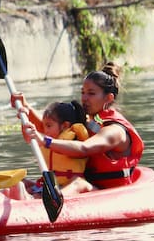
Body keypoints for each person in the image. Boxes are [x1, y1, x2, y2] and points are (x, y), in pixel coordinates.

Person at [13, 62, 144, 190]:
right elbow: (50, 128)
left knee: (78, 183)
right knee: (20, 182)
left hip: (109, 193)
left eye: (91, 93)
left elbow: (84, 148)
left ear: (108, 98)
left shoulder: (115, 131)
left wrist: (44, 140)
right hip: (83, 187)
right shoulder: (90, 122)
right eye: (83, 92)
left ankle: (49, 203)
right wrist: (26, 108)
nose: (84, 98)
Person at [6, 100, 94, 200]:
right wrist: (25, 122)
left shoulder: (75, 138)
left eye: (49, 126)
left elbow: (79, 151)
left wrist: (45, 141)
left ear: (65, 126)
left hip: (68, 185)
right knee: (22, 181)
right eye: (44, 126)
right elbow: (28, 138)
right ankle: (22, 196)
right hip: (50, 184)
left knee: (78, 182)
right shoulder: (49, 141)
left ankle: (37, 199)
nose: (45, 130)